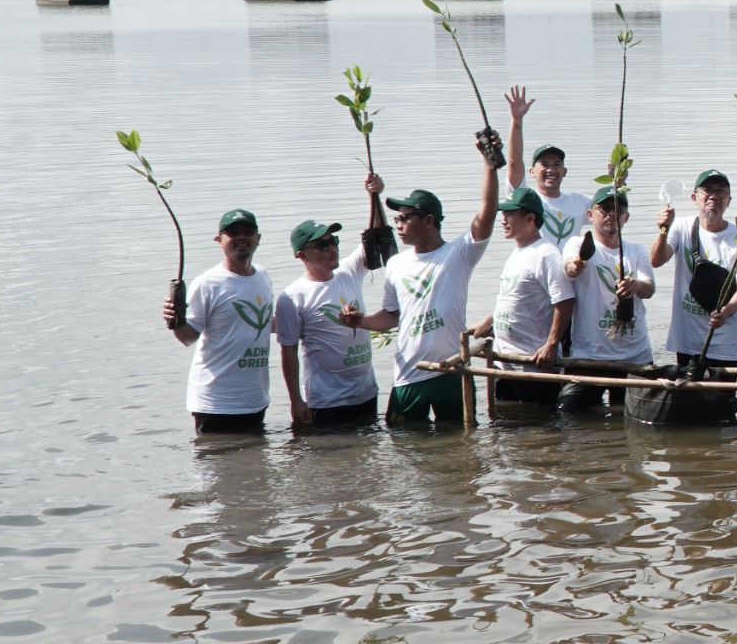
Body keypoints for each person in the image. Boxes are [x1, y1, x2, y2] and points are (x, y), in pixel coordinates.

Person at [349, 138, 499, 427]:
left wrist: (489, 164)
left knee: (458, 445)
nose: (399, 224)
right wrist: (360, 321)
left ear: (429, 221)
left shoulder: (458, 254)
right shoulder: (396, 265)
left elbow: (488, 210)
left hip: (451, 371)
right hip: (410, 373)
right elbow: (391, 317)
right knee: (404, 445)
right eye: (397, 219)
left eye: (406, 218)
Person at [274, 188, 383, 431]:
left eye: (333, 241)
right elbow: (288, 353)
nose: (332, 248)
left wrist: (374, 196)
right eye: (322, 245)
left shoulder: (349, 272)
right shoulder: (292, 297)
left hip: (366, 393)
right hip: (327, 402)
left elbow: (376, 237)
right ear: (301, 255)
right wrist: (295, 401)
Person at [171, 207, 277, 434]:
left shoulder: (263, 277)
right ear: (219, 240)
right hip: (216, 402)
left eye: (248, 232)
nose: (241, 237)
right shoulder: (208, 283)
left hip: (255, 399)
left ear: (257, 239)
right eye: (233, 232)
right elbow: (188, 338)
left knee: (256, 466)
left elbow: (263, 322)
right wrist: (175, 320)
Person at [559, 185, 655, 408]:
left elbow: (649, 289)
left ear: (626, 217)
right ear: (590, 215)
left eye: (618, 209)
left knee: (635, 423)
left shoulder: (637, 250)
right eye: (604, 208)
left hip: (635, 356)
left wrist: (635, 285)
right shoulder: (578, 243)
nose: (611, 213)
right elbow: (569, 266)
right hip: (589, 355)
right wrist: (575, 265)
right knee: (570, 411)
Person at [480, 186, 574, 409]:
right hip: (506, 363)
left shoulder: (546, 254)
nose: (503, 220)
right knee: (506, 433)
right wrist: (488, 321)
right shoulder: (517, 252)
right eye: (503, 214)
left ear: (530, 218)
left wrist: (551, 344)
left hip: (534, 365)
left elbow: (565, 300)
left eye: (509, 214)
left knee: (539, 434)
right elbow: (514, 297)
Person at [652, 168, 737, 373]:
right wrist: (663, 230)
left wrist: (725, 312)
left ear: (729, 200)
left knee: (723, 402)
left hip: (726, 341)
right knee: (689, 401)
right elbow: (656, 260)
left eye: (721, 191)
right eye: (707, 190)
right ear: (694, 197)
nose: (713, 196)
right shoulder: (680, 227)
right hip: (687, 339)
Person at [505, 86, 591, 247]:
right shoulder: (525, 199)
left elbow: (612, 212)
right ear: (531, 172)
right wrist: (517, 120)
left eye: (556, 165)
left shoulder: (579, 201)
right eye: (544, 165)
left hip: (570, 270)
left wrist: (619, 183)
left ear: (564, 172)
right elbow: (514, 162)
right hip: (537, 268)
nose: (551, 170)